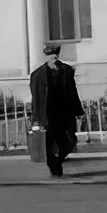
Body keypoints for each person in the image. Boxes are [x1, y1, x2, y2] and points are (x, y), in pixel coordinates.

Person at [28, 42, 84, 178]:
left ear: (57, 55)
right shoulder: (37, 75)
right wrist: (35, 118)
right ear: (45, 56)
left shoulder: (67, 70)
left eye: (54, 56)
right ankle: (54, 167)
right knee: (47, 145)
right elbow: (35, 98)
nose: (52, 59)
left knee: (70, 143)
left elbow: (73, 91)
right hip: (47, 115)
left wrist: (78, 111)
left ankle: (58, 161)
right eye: (49, 56)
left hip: (64, 113)